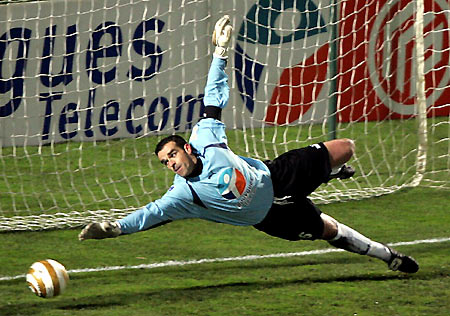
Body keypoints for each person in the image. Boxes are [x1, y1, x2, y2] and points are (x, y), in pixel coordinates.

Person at [79, 16, 419, 274]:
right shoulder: (184, 194)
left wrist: (220, 52)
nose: (171, 163)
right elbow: (151, 214)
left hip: (276, 175)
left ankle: (328, 172)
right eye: (165, 163)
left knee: (345, 146)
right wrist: (113, 229)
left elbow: (213, 97)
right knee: (327, 230)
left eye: (172, 155)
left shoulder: (206, 138)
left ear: (187, 148)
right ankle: (387, 256)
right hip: (270, 216)